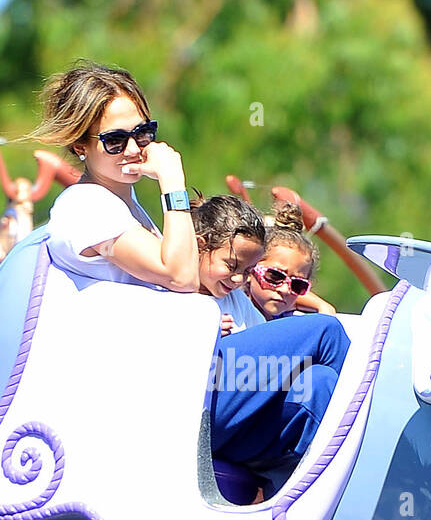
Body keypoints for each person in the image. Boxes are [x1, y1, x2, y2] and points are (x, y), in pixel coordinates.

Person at [32, 61, 349, 476]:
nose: (132, 149)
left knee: (319, 389)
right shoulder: (85, 207)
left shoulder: (127, 207)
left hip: (195, 374)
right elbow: (179, 274)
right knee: (324, 334)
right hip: (166, 392)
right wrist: (172, 180)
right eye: (114, 140)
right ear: (80, 146)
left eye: (142, 133)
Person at [248, 198, 338, 320]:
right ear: (249, 269)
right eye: (275, 276)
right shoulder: (231, 306)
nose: (285, 290)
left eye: (298, 285)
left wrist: (324, 307)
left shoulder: (284, 311)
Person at [190, 194, 267, 334]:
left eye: (247, 271)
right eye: (231, 266)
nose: (239, 279)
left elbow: (266, 339)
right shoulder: (168, 292)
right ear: (200, 247)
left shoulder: (239, 302)